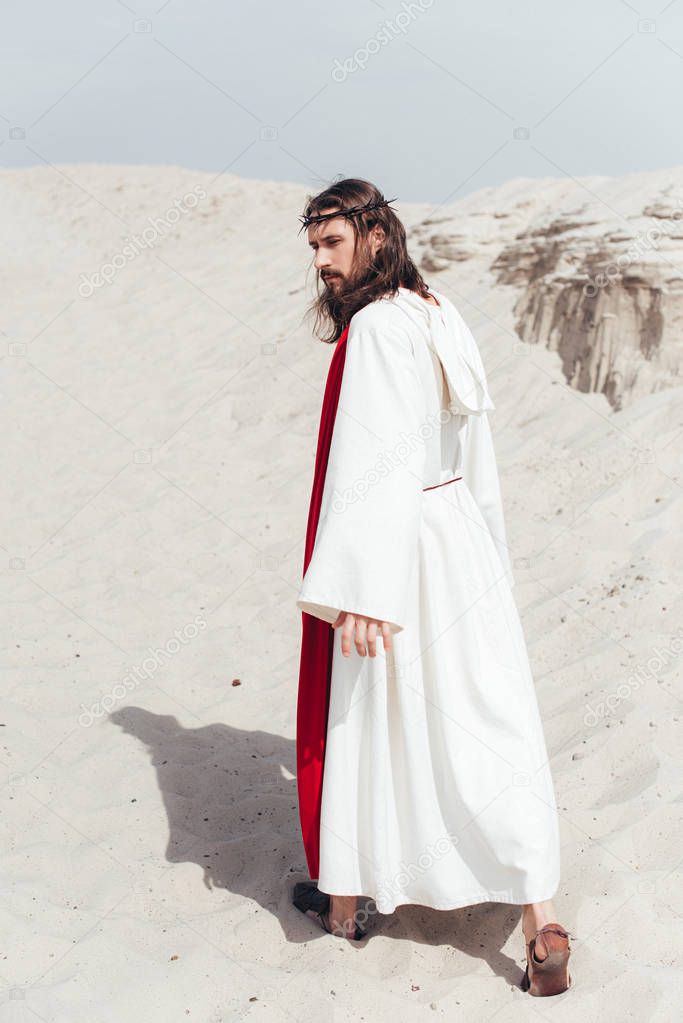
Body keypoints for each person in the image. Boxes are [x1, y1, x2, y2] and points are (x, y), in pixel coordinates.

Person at [292, 178, 571, 997]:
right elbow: (472, 451)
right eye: (313, 247)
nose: (320, 263)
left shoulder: (380, 327)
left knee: (367, 718)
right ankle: (539, 921)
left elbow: (372, 467)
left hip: (400, 554)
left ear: (376, 236)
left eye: (331, 243)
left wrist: (363, 590)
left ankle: (343, 910)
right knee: (489, 718)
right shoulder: (436, 309)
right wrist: (485, 542)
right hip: (457, 541)